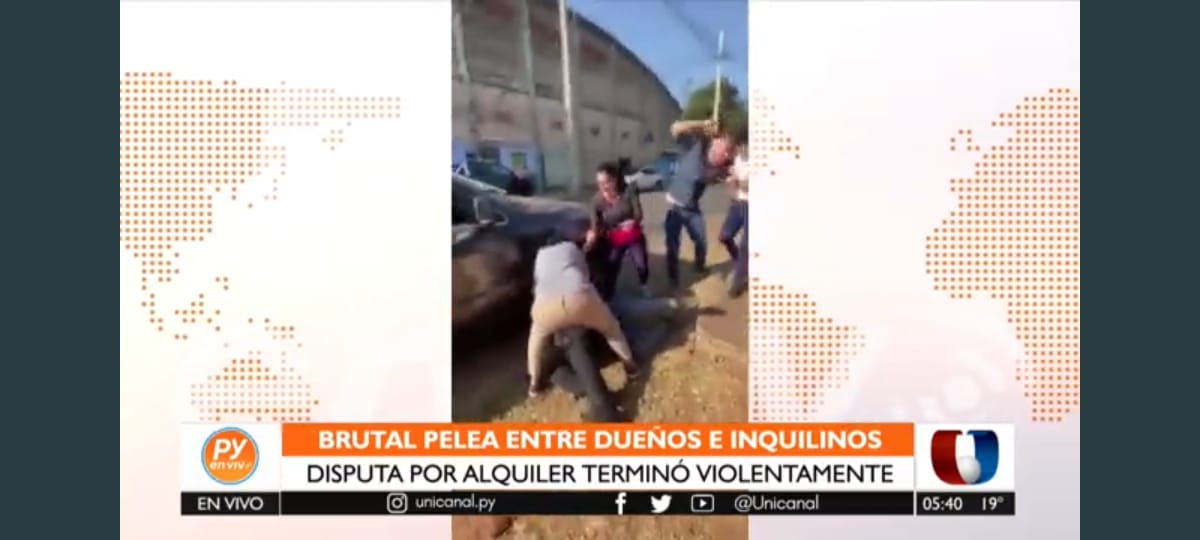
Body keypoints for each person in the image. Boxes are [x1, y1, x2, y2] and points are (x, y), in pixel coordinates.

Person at [527, 229, 638, 397]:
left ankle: (534, 384)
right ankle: (630, 367)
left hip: (545, 305)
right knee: (612, 330)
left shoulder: (540, 256)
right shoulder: (571, 247)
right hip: (578, 297)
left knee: (535, 343)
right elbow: (585, 274)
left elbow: (537, 283)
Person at [662, 118, 739, 290]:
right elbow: (675, 127)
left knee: (701, 242)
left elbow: (733, 181)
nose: (726, 155)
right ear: (716, 143)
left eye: (729, 153)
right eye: (725, 150)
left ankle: (699, 267)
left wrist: (735, 183)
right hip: (674, 206)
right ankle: (673, 279)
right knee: (672, 245)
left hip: (692, 209)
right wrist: (702, 125)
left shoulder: (722, 168)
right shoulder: (696, 145)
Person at [586, 162, 650, 298]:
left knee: (641, 264)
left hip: (633, 235)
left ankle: (644, 284)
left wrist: (633, 221)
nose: (603, 186)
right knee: (612, 265)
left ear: (615, 180)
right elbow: (595, 224)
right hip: (615, 238)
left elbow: (638, 214)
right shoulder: (596, 201)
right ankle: (610, 294)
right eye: (599, 183)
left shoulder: (629, 191)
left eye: (606, 182)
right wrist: (593, 234)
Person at [719, 130, 750, 298]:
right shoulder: (738, 159)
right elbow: (734, 178)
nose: (743, 149)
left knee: (746, 245)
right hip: (738, 203)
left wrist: (740, 183)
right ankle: (742, 264)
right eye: (741, 146)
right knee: (724, 236)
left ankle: (738, 282)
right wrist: (732, 179)